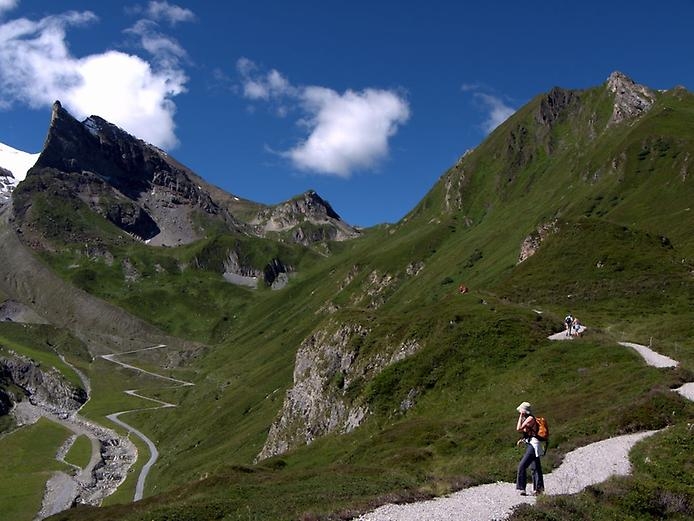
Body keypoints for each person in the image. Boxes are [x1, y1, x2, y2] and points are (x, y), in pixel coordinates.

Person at [515, 401, 545, 496]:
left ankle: (522, 488)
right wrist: (523, 440)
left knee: (522, 466)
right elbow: (526, 432)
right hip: (532, 443)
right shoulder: (528, 418)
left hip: (533, 445)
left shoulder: (530, 419)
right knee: (535, 467)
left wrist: (520, 416)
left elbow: (518, 428)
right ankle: (538, 489)